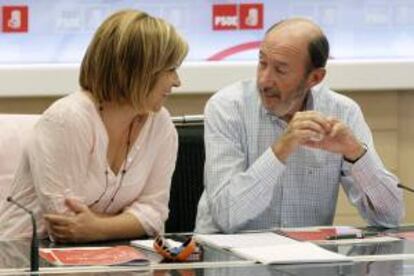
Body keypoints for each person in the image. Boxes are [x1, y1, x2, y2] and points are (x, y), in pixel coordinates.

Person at [195, 18, 404, 234]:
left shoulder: (343, 112)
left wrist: (355, 153)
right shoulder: (227, 108)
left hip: (308, 260)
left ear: (314, 77)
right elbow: (226, 217)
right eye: (262, 63)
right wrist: (279, 151)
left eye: (280, 70)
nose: (264, 80)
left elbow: (389, 217)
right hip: (229, 258)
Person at [0, 9, 188, 243]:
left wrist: (98, 226)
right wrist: (126, 220)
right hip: (24, 258)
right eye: (170, 70)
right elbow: (65, 224)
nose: (177, 81)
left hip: (107, 256)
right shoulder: (67, 119)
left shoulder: (160, 124)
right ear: (136, 70)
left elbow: (155, 214)